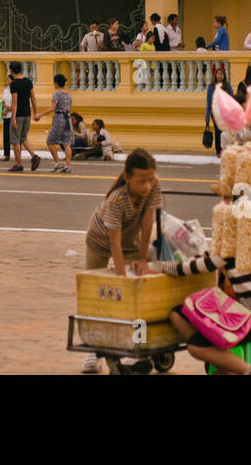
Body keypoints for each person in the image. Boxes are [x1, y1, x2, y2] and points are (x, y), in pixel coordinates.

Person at [79, 149, 163, 373]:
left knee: (134, 294)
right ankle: (92, 351)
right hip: (100, 239)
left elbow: (147, 222)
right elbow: (112, 244)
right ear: (127, 177)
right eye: (141, 181)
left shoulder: (154, 186)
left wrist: (142, 259)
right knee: (97, 294)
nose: (146, 186)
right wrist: (122, 279)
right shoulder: (116, 200)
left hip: (128, 241)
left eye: (149, 180)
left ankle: (129, 347)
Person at [7, 61, 42, 172]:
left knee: (15, 140)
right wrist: (35, 113)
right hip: (27, 113)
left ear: (11, 70)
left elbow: (14, 102)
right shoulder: (28, 82)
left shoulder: (14, 84)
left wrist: (13, 118)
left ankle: (18, 164)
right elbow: (33, 99)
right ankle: (34, 155)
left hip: (18, 115)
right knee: (23, 138)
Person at [40, 73, 74, 172]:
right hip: (67, 118)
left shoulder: (57, 94)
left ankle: (58, 163)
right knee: (66, 144)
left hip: (59, 118)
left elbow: (52, 108)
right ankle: (68, 165)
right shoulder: (68, 95)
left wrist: (40, 114)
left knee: (50, 142)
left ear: (56, 83)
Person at [204, 66, 229, 155]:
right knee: (218, 131)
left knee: (225, 132)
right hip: (215, 113)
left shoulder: (227, 86)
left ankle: (225, 149)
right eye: (218, 74)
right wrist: (207, 115)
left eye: (222, 74)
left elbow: (231, 98)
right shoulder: (211, 87)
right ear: (215, 75)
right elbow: (209, 101)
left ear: (224, 76)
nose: (220, 76)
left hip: (225, 112)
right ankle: (218, 151)